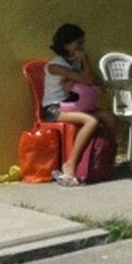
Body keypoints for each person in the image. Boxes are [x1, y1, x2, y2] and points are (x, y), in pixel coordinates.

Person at [44, 23, 117, 187]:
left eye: (83, 43)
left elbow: (96, 80)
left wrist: (83, 70)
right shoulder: (55, 66)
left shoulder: (76, 63)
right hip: (54, 108)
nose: (82, 47)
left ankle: (106, 158)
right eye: (78, 43)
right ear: (65, 45)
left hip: (76, 104)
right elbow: (87, 80)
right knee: (91, 121)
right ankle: (70, 165)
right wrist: (85, 63)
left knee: (109, 117)